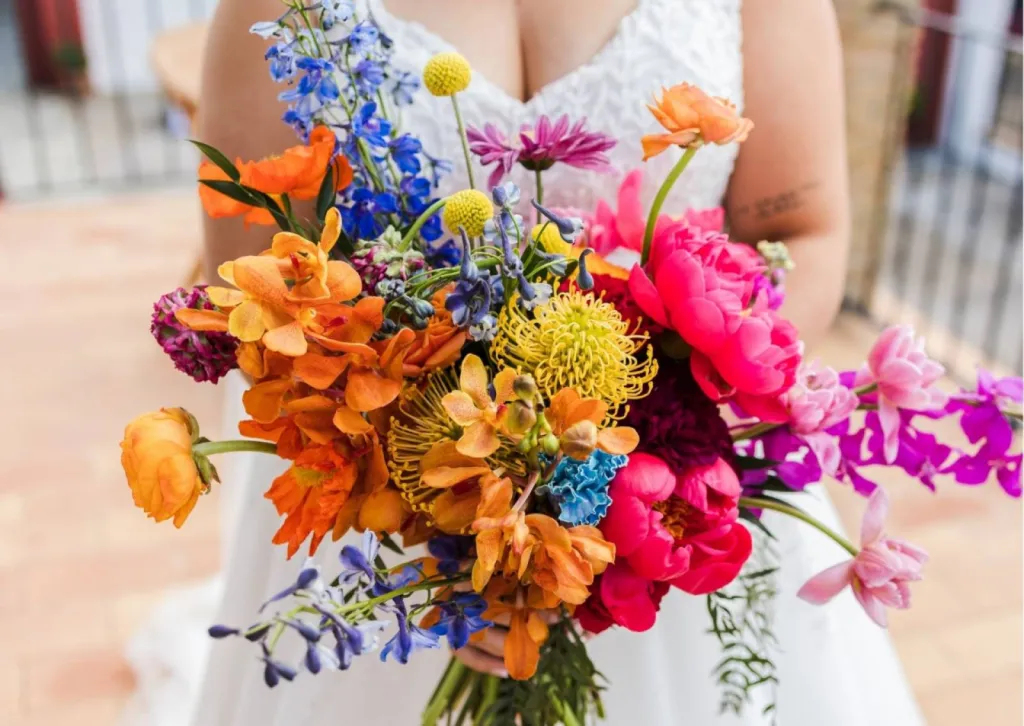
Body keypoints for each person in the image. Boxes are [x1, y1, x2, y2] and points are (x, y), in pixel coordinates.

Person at [122, 1, 926, 724]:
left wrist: (621, 487)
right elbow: (261, 298)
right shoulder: (282, 13)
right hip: (386, 518)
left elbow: (806, 232)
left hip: (670, 503)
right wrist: (457, 534)